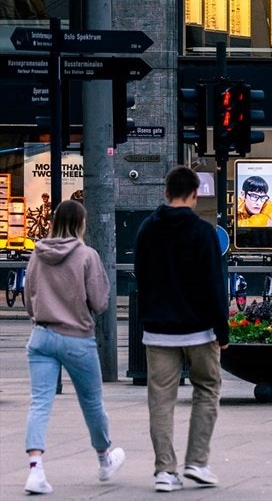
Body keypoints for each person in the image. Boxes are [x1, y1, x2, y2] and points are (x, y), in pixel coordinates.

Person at [134, 166, 228, 493]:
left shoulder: (147, 229)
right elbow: (214, 285)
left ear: (166, 192)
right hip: (199, 328)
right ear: (194, 194)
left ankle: (165, 470)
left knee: (161, 399)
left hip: (158, 328)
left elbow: (141, 277)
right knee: (207, 388)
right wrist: (222, 329)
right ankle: (197, 462)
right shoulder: (203, 232)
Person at [23, 199, 125, 495]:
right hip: (77, 337)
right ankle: (104, 460)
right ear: (81, 223)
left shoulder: (37, 254)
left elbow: (29, 298)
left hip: (41, 336)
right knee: (92, 402)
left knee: (40, 403)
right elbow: (101, 302)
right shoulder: (86, 255)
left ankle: (35, 470)